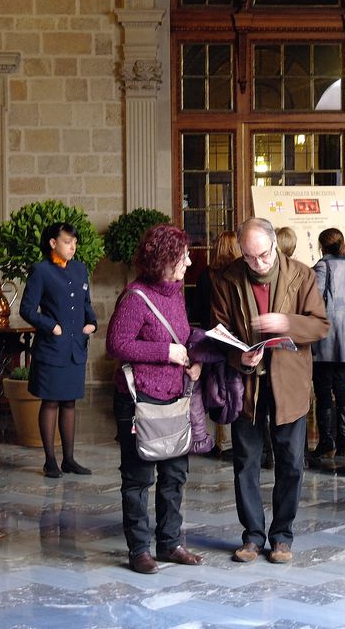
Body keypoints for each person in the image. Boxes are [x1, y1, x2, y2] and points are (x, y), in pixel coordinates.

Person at [211, 218, 329, 564]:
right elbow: (220, 328)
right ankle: (251, 536)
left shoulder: (302, 275)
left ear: (274, 246)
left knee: (291, 463)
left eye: (262, 255)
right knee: (245, 462)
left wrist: (286, 323)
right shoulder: (228, 277)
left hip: (288, 384)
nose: (257, 264)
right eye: (249, 257)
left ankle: (281, 537)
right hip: (247, 384)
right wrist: (240, 355)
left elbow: (321, 325)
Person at [106, 224, 205, 574]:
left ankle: (170, 543)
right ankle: (139, 551)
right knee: (138, 478)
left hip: (175, 396)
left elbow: (179, 333)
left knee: (175, 475)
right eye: (183, 256)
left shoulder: (176, 291)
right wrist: (167, 352)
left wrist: (196, 353)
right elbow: (116, 345)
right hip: (139, 400)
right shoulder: (134, 297)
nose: (189, 263)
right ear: (163, 259)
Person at [19, 222, 98, 479]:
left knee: (69, 403)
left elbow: (86, 303)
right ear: (53, 243)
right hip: (52, 348)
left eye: (74, 242)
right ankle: (50, 460)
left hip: (76, 348)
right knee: (51, 401)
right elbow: (27, 310)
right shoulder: (41, 271)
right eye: (67, 241)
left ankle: (70, 459)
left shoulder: (80, 268)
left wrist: (92, 322)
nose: (72, 247)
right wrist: (50, 325)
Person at [310, 228, 345, 460]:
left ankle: (327, 440)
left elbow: (313, 299)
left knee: (323, 389)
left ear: (322, 246)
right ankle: (344, 437)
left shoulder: (323, 268)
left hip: (326, 337)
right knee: (342, 386)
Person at [191, 230, 241, 457]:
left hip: (208, 338)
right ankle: (229, 441)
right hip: (231, 340)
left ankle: (213, 439)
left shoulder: (205, 276)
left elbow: (197, 307)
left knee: (210, 389)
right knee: (230, 387)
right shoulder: (238, 276)